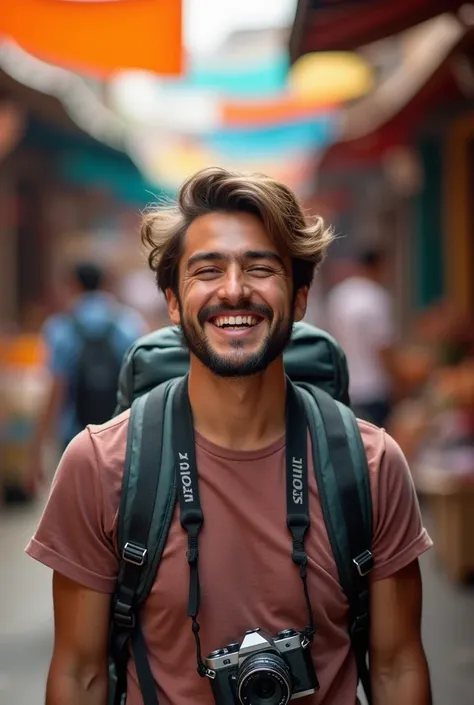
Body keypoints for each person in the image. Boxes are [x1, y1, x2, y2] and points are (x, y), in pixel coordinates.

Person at [26, 168, 432, 705]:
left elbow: (398, 666)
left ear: (302, 295)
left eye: (261, 268)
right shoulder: (101, 464)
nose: (235, 289)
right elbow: (79, 674)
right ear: (173, 303)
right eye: (207, 270)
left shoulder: (371, 464)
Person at [26, 261, 147, 490]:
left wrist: (36, 454)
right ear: (104, 284)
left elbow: (55, 392)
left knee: (79, 516)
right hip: (120, 437)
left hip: (74, 440)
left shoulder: (60, 327)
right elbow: (140, 384)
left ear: (73, 285)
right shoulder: (129, 323)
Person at [326, 249, 397, 427]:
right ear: (378, 266)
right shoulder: (376, 296)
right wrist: (397, 383)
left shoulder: (339, 295)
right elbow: (382, 347)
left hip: (344, 387)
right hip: (373, 389)